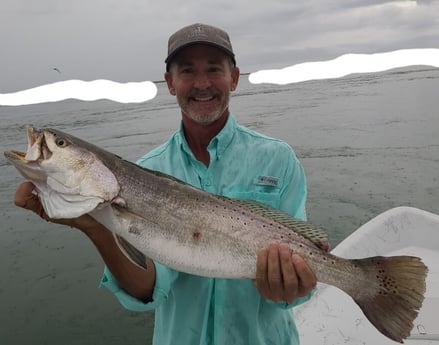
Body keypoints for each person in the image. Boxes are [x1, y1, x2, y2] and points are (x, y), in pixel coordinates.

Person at [14, 23, 319, 345]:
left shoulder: (278, 159)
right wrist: (95, 228)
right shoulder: (148, 169)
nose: (202, 84)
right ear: (170, 83)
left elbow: (301, 276)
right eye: (187, 71)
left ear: (234, 78)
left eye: (213, 69)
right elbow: (148, 289)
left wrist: (291, 286)